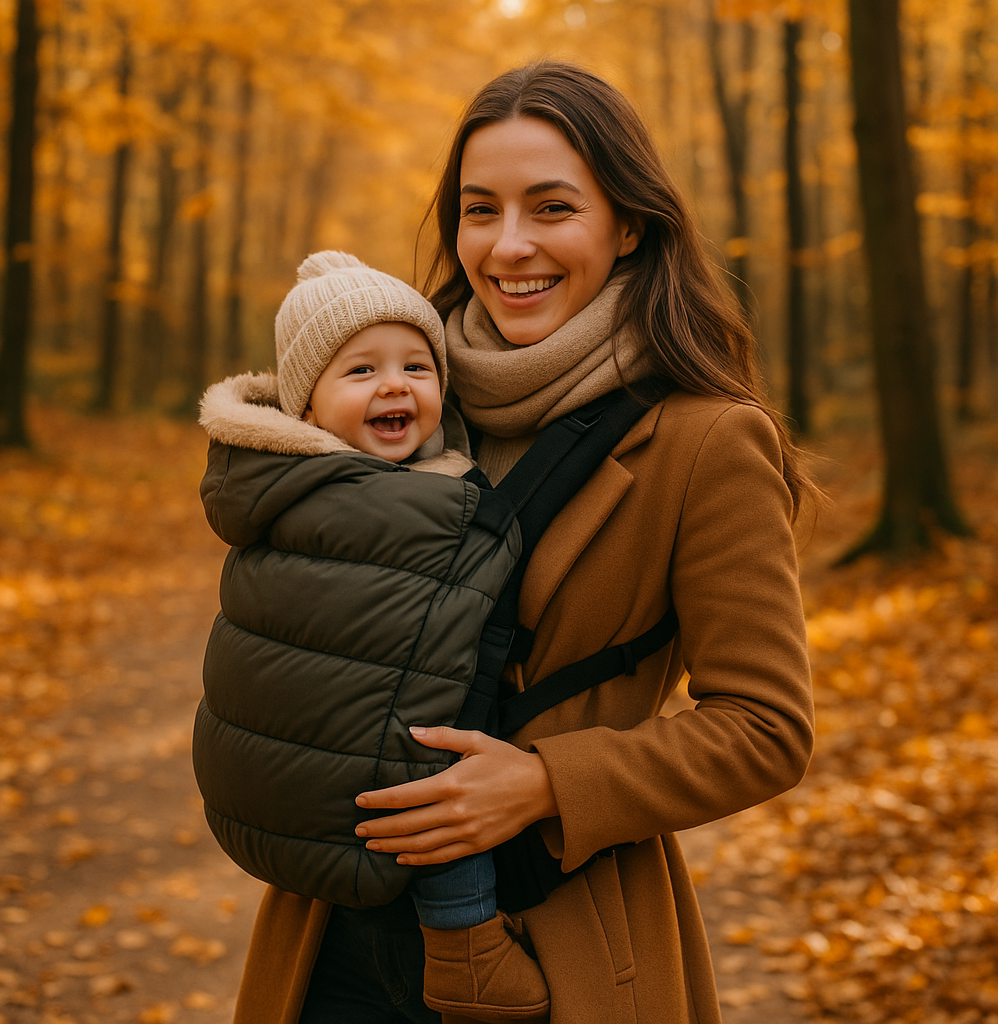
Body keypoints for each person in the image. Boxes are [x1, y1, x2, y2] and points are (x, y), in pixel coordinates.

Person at [229, 61, 815, 1024]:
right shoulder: (403, 393)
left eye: (551, 208)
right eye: (478, 209)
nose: (507, 247)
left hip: (559, 940)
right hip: (331, 928)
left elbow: (765, 729)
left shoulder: (705, 439)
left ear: (628, 224)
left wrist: (546, 784)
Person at [196, 251, 547, 1021]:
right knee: (436, 768)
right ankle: (467, 936)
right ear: (309, 410)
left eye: (418, 367)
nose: (396, 386)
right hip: (378, 800)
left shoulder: (364, 477)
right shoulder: (350, 494)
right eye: (361, 372)